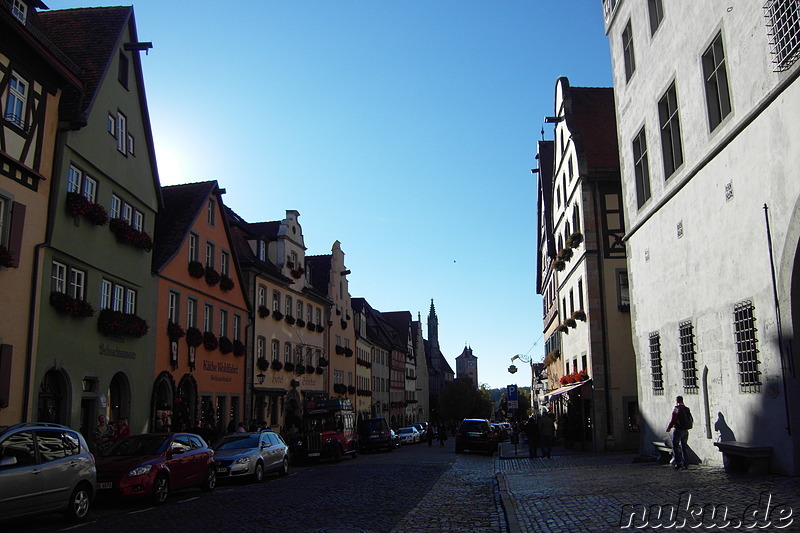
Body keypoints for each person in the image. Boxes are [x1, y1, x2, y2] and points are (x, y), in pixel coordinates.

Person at [667, 395, 691, 470]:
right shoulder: (687, 409)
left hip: (678, 430)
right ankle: (686, 463)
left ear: (677, 401)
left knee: (675, 446)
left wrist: (669, 427)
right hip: (686, 430)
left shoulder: (676, 409)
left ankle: (678, 463)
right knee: (684, 446)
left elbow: (673, 419)